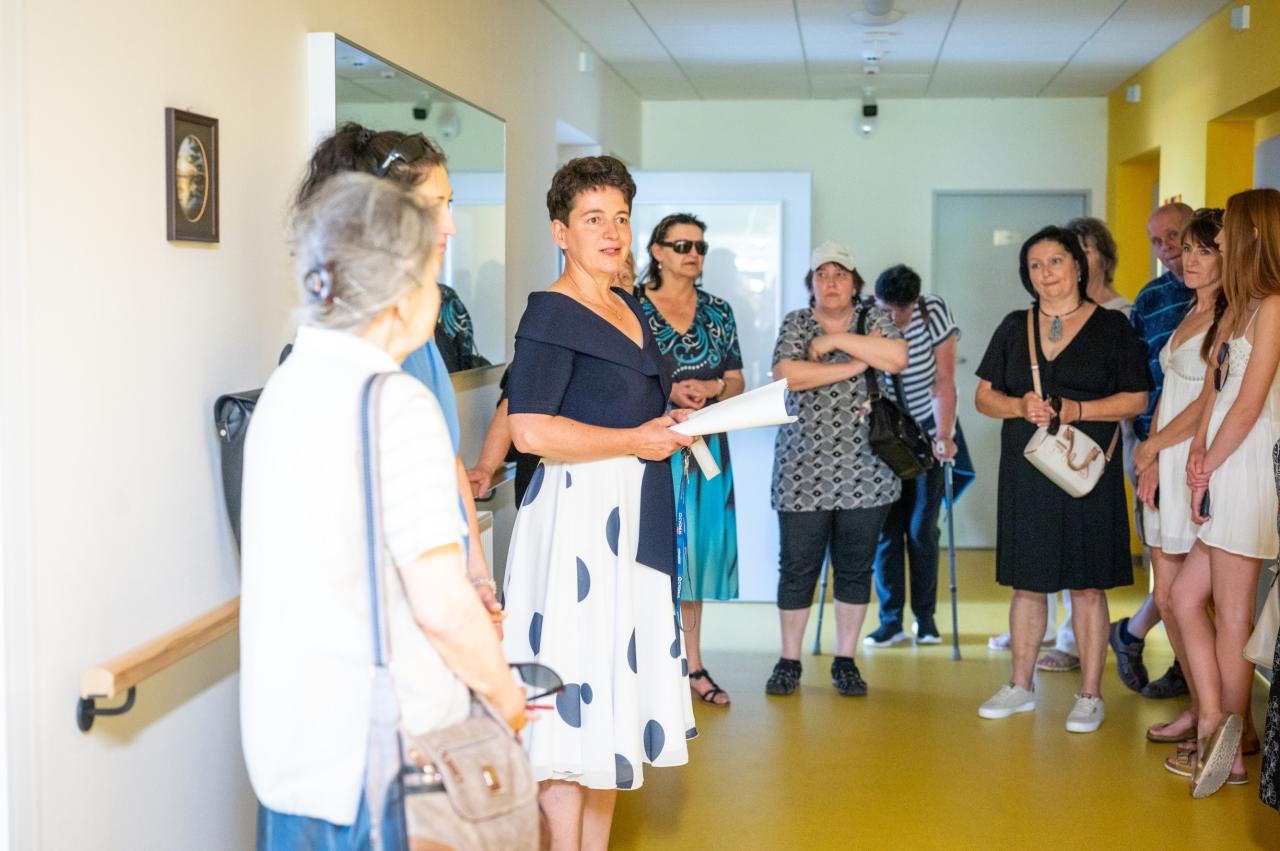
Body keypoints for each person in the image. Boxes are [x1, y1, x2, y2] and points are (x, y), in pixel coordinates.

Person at [240, 173, 527, 845]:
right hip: (380, 770)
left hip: (292, 759)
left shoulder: (287, 385)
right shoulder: (393, 403)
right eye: (432, 273)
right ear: (401, 294)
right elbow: (441, 604)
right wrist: (506, 698)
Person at [500, 156, 695, 850]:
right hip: (578, 524)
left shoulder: (628, 304)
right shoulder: (550, 314)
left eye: (620, 218)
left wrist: (669, 423)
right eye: (593, 219)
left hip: (632, 514)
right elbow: (529, 429)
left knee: (610, 704)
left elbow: (623, 403)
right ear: (560, 232)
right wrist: (634, 440)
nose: (612, 232)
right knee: (568, 705)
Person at [296, 123, 503, 632]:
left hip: (442, 581)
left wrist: (478, 572)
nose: (450, 225)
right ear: (383, 217)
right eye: (434, 207)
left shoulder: (420, 336)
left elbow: (448, 457)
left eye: (450, 204)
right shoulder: (363, 364)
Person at [974, 226, 1150, 733]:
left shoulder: (1112, 328)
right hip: (1027, 470)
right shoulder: (1015, 326)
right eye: (1035, 265)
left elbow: (1137, 398)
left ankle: (1090, 694)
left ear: (1078, 265)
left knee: (1088, 585)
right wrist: (1017, 405)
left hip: (1086, 472)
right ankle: (1020, 685)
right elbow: (984, 397)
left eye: (1055, 261)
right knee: (1028, 583)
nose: (1046, 272)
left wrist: (1078, 409)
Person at [1170, 188, 1280, 797]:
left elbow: (1251, 402)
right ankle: (1216, 722)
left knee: (1234, 614)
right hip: (1219, 463)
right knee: (1185, 597)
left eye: (1228, 228)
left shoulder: (1275, 307)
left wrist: (1207, 463)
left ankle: (1231, 749)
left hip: (1247, 464)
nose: (1219, 239)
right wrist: (1197, 456)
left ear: (1254, 234)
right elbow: (1215, 392)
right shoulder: (1243, 306)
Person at [767, 241, 908, 698]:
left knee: (854, 567)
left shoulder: (875, 318)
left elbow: (896, 359)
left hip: (867, 472)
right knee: (797, 567)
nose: (830, 283)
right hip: (801, 469)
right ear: (811, 284)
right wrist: (856, 364)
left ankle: (845, 660)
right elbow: (788, 375)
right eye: (821, 275)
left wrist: (835, 343)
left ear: (854, 283)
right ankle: (789, 660)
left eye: (840, 275)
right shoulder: (797, 322)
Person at [635, 213, 745, 706]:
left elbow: (737, 380)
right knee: (646, 557)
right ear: (657, 251)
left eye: (700, 246)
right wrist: (670, 391)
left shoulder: (719, 311)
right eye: (682, 245)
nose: (693, 254)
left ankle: (692, 665)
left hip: (706, 451)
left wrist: (712, 386)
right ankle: (645, 666)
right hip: (648, 448)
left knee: (694, 560)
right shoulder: (632, 306)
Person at [1131, 209, 1227, 763]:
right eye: (1183, 249)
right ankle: (1197, 705)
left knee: (1197, 602)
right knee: (1167, 598)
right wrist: (1149, 458)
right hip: (1163, 461)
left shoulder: (1232, 316)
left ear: (1227, 256)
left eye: (1200, 250)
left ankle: (1222, 718)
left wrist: (1154, 447)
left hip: (1194, 460)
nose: (1186, 258)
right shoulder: (1190, 308)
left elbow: (1208, 404)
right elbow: (1170, 391)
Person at [1109, 202, 1197, 697]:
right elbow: (1135, 377)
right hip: (1154, 450)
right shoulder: (1151, 298)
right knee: (1172, 567)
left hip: (1212, 447)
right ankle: (1187, 672)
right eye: (1157, 242)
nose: (1167, 250)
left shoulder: (1231, 295)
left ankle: (1135, 633)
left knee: (1201, 570)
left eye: (1175, 237)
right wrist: (1141, 446)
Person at [863, 264, 959, 647]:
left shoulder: (933, 312)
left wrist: (945, 435)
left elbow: (944, 381)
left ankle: (925, 618)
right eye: (886, 309)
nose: (893, 318)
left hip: (927, 435)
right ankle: (890, 621)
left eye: (900, 311)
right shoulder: (866, 314)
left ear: (914, 302)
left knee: (922, 529)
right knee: (887, 532)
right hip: (884, 438)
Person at [435, 282, 491, 372]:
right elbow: (467, 335)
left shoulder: (443, 301)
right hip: (459, 366)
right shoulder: (451, 299)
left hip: (449, 366)